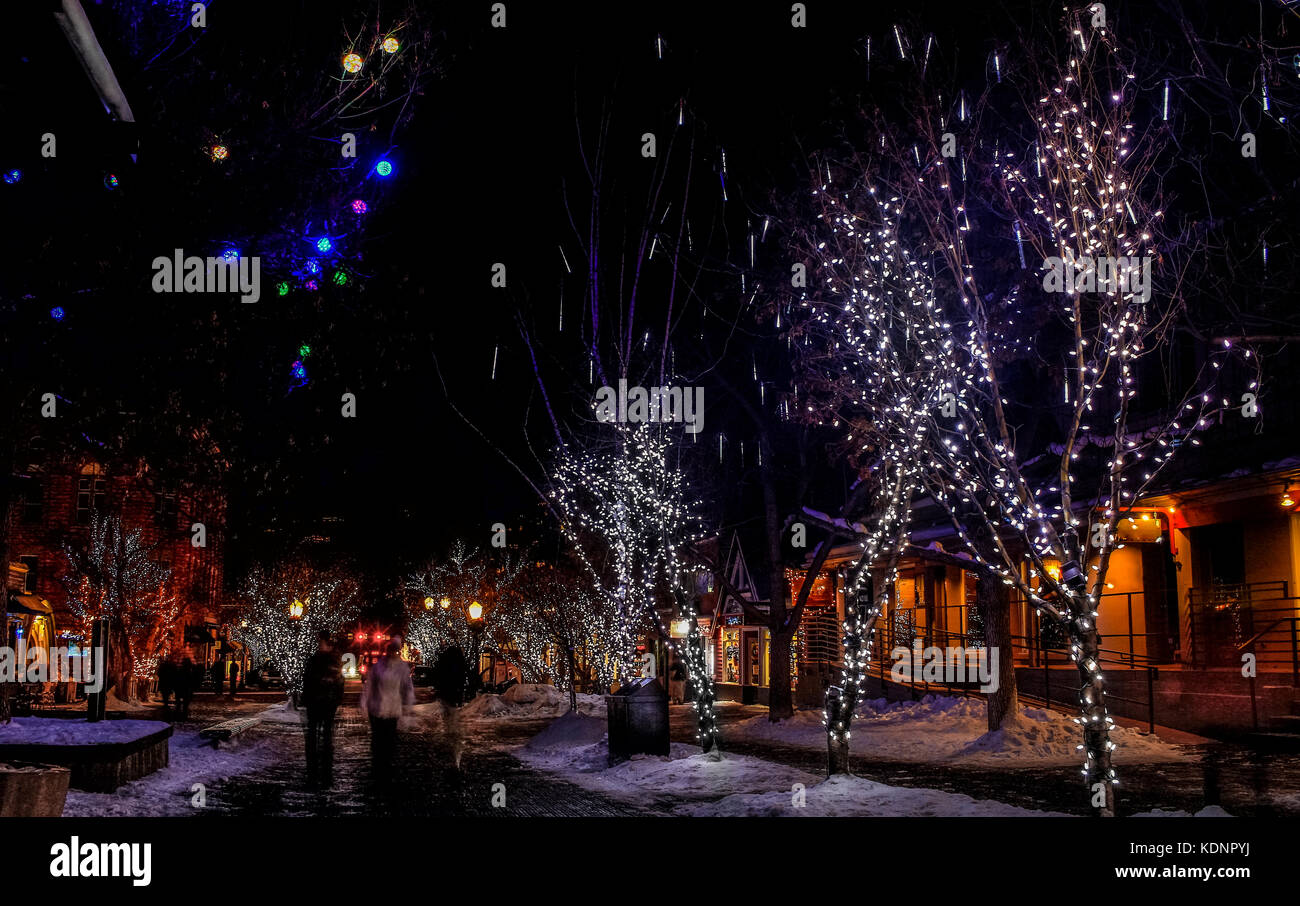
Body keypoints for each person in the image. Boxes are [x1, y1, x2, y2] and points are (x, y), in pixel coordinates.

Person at [359, 638, 414, 782]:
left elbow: (408, 688)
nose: (392, 653)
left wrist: (408, 706)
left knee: (389, 739)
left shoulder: (402, 668)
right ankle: (378, 767)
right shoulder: (379, 667)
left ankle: (387, 767)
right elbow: (369, 686)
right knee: (378, 739)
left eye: (395, 650)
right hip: (377, 708)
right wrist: (365, 703)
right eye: (391, 650)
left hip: (392, 709)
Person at [302, 631, 344, 789]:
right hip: (321, 703)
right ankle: (319, 772)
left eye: (321, 642)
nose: (320, 644)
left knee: (321, 737)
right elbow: (338, 682)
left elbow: (336, 682)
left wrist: (335, 699)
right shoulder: (328, 660)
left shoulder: (322, 660)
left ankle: (319, 772)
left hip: (323, 703)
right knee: (318, 737)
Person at [431, 645, 469, 770]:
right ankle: (452, 730)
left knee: (448, 710)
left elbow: (438, 676)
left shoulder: (444, 662)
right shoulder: (459, 663)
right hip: (453, 693)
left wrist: (439, 690)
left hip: (445, 692)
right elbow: (461, 678)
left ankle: (449, 728)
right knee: (451, 711)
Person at [177, 653, 197, 719]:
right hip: (187, 688)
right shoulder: (190, 671)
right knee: (185, 702)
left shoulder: (180, 670)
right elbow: (192, 680)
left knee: (179, 701)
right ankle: (184, 713)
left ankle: (179, 712)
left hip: (181, 686)